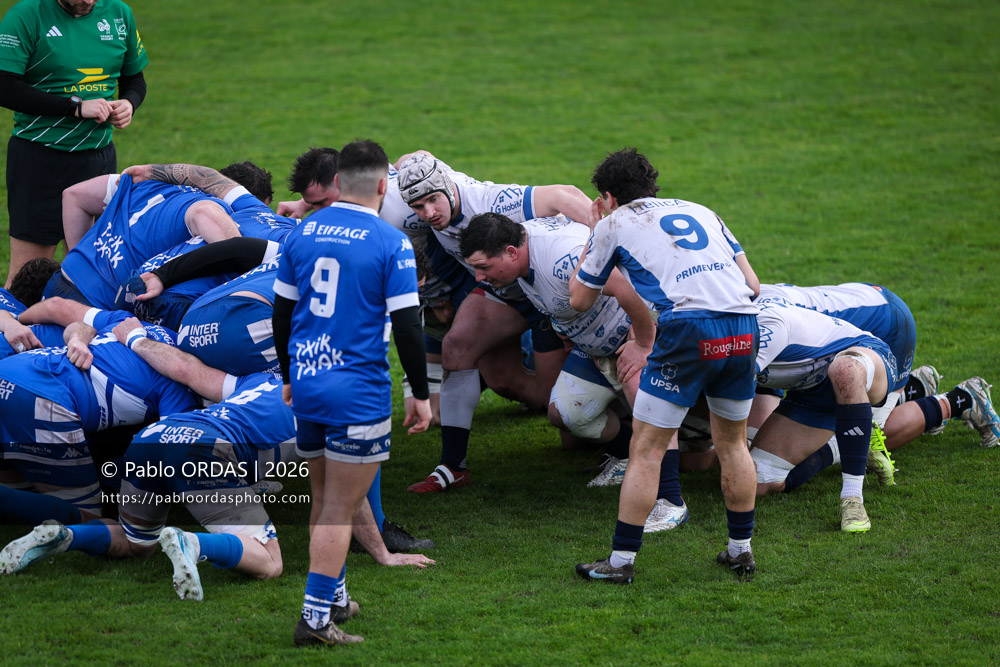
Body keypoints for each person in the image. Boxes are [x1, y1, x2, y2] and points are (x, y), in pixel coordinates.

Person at [570, 148, 761, 583]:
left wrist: (595, 231)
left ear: (607, 195)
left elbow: (578, 299)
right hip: (744, 326)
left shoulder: (614, 223)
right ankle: (740, 552)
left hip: (688, 328)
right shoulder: (701, 209)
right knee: (732, 444)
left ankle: (619, 564)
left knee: (647, 448)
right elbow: (751, 284)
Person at [271, 139, 431, 648]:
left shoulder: (301, 233)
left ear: (337, 182)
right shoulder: (390, 241)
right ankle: (315, 620)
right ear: (384, 186)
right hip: (357, 392)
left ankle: (336, 597)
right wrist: (420, 393)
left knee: (323, 498)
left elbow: (281, 313)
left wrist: (289, 376)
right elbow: (408, 326)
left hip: (309, 382)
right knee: (341, 506)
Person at [458, 212, 694, 532]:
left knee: (650, 409)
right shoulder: (519, 249)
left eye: (483, 267)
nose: (479, 277)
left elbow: (628, 288)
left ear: (511, 252)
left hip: (636, 335)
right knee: (566, 415)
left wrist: (643, 343)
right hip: (596, 346)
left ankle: (670, 501)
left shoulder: (561, 258)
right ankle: (627, 457)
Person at [397, 153, 592, 493]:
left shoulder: (489, 201)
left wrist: (606, 240)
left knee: (561, 417)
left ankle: (627, 429)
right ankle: (452, 467)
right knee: (466, 355)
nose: (428, 213)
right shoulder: (429, 208)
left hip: (549, 291)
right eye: (418, 206)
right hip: (504, 291)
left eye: (432, 200)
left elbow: (564, 195)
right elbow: (393, 165)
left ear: (448, 186)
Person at [0, 0, 148, 288]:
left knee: (86, 273)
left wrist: (130, 103)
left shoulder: (119, 14)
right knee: (27, 277)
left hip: (98, 160)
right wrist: (75, 107)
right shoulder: (27, 15)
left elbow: (134, 78)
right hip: (40, 158)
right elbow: (4, 87)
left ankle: (72, 334)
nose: (87, 2)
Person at [46, 172, 241, 309]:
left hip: (60, 280)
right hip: (96, 303)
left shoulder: (149, 180)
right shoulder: (214, 206)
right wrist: (248, 264)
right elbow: (204, 213)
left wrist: (83, 262)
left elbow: (73, 196)